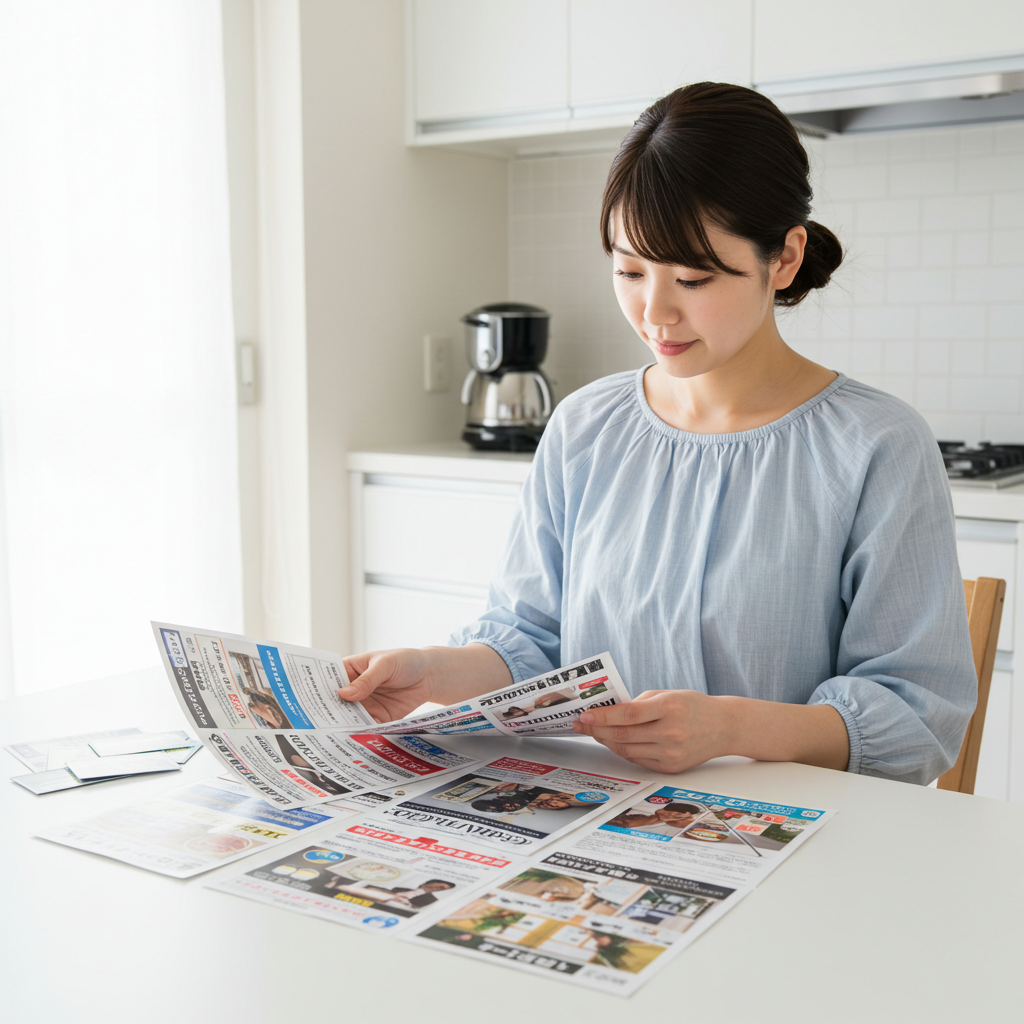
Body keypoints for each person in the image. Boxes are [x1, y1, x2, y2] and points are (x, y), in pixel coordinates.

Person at [337, 82, 975, 786]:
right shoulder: (584, 425)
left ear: (785, 258)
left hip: (795, 828)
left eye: (694, 279)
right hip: (594, 814)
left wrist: (728, 728)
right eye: (630, 270)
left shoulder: (878, 446)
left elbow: (917, 718)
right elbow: (531, 642)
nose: (655, 312)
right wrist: (435, 670)